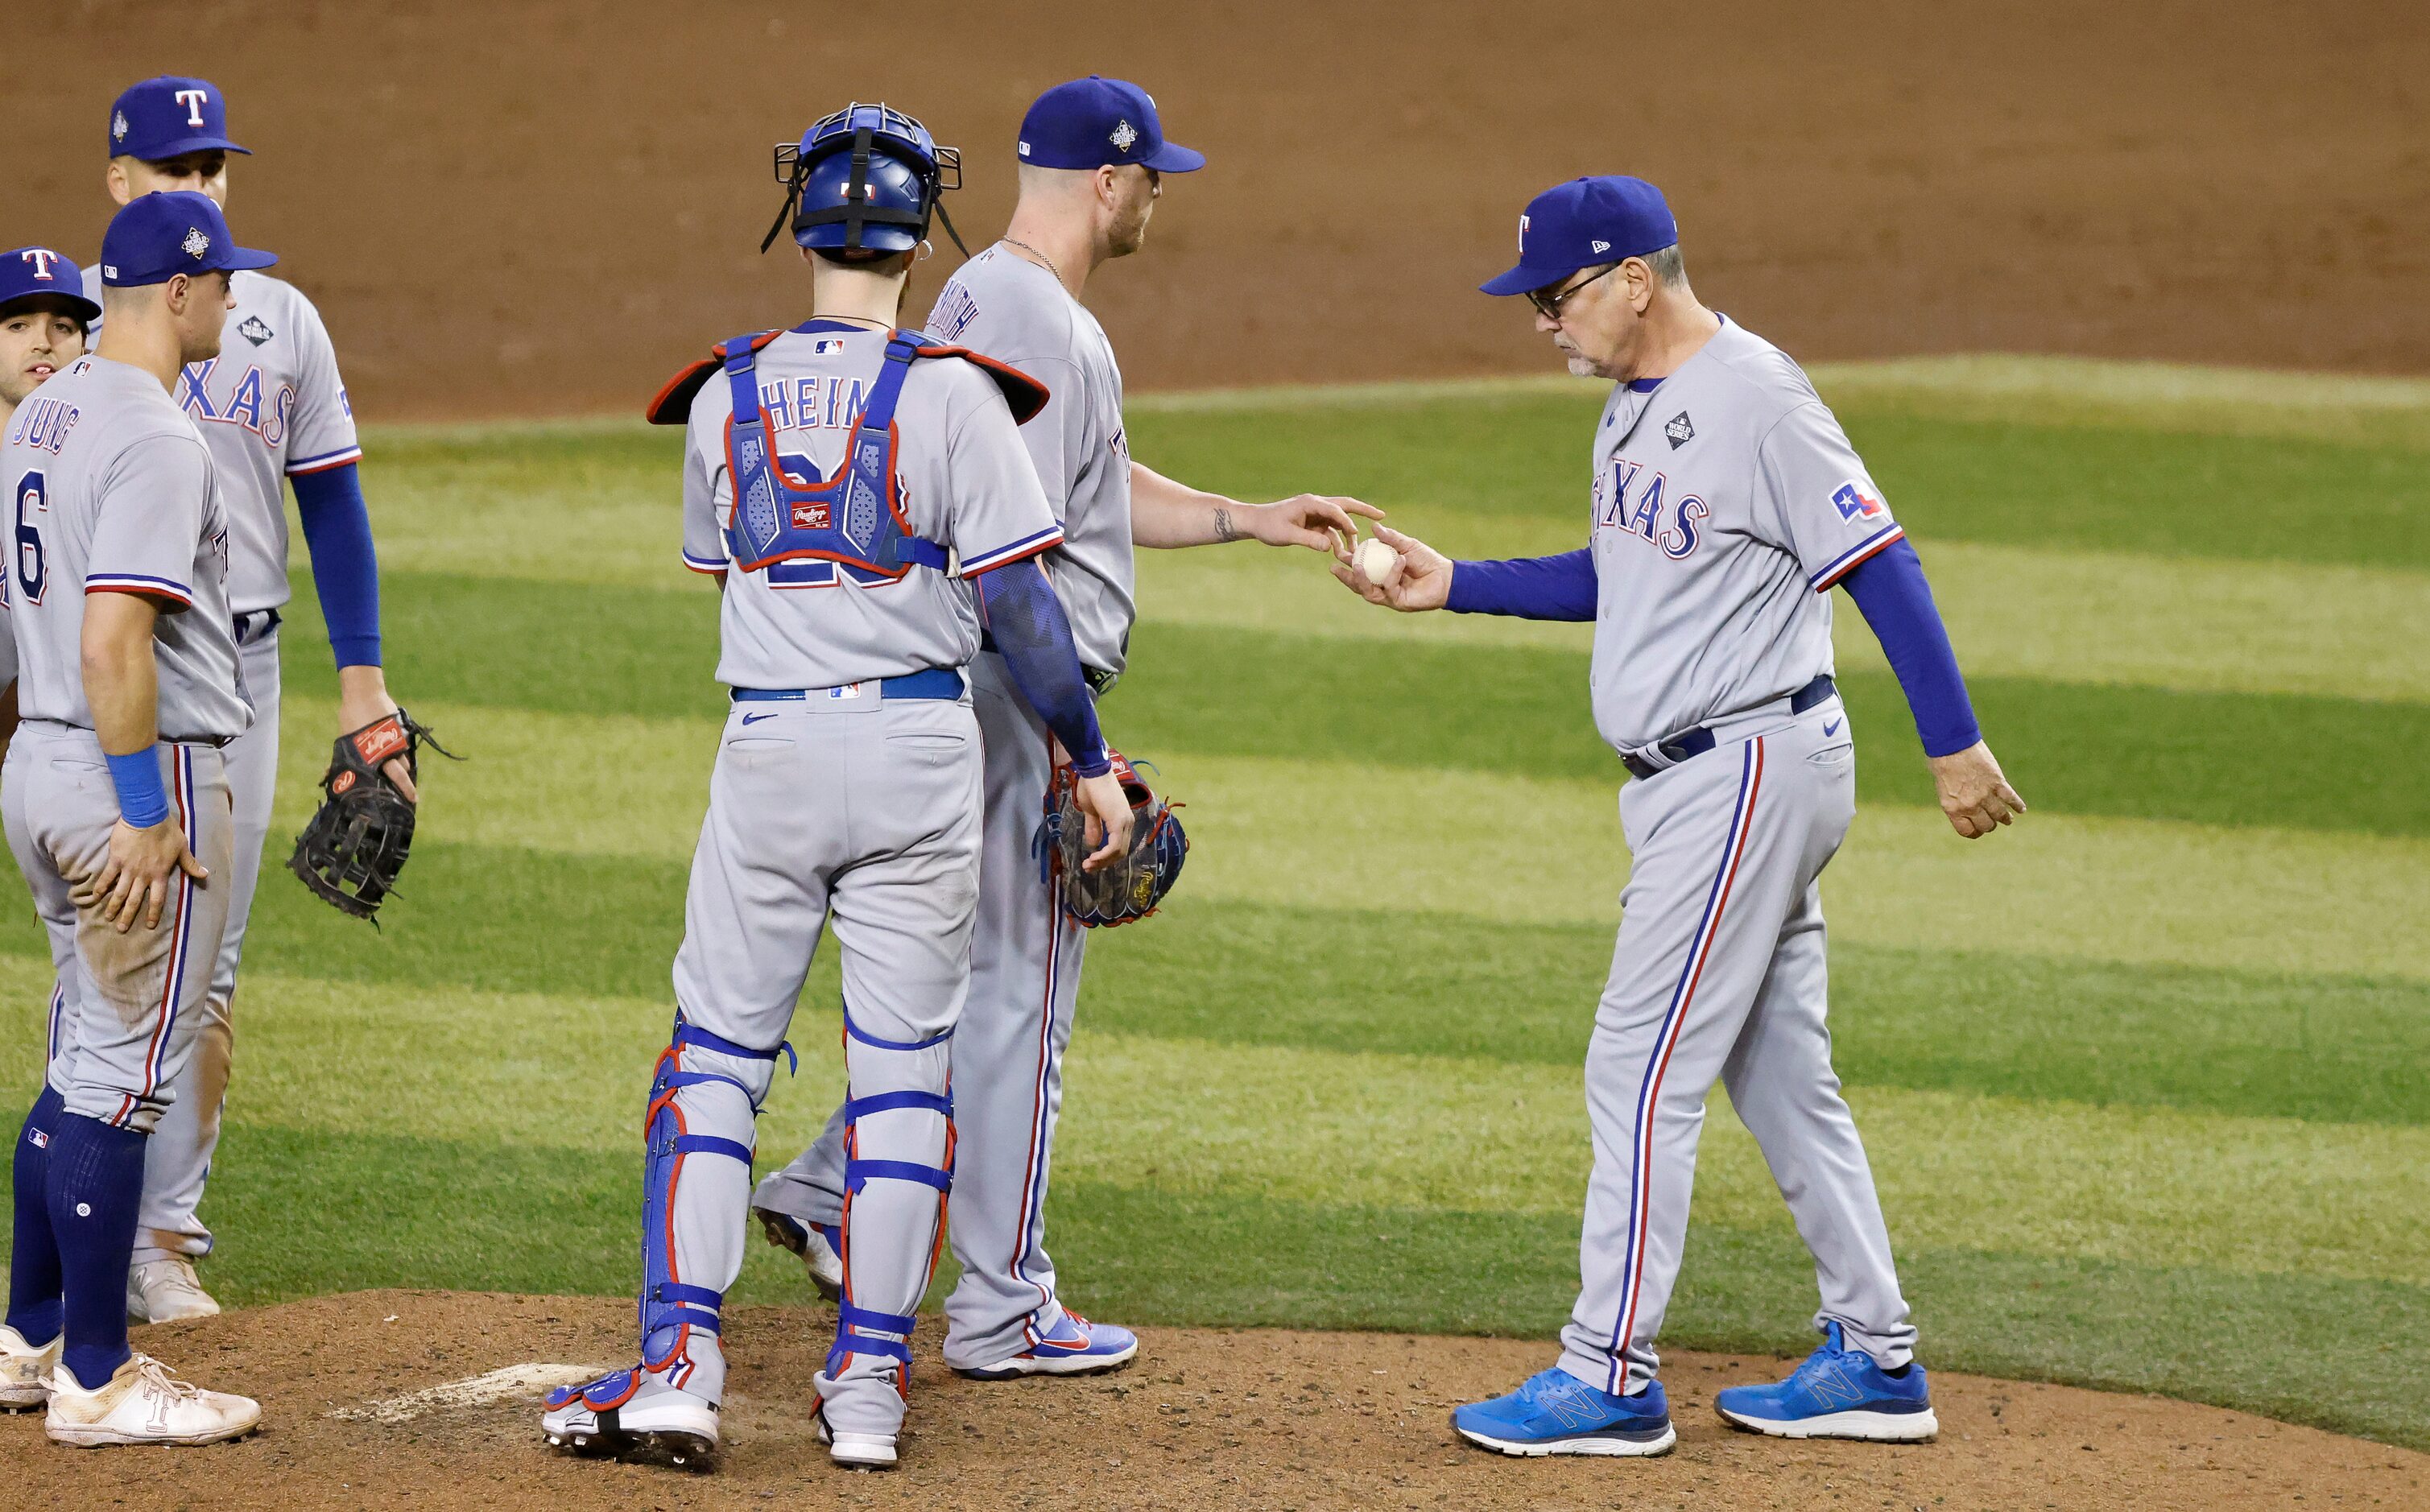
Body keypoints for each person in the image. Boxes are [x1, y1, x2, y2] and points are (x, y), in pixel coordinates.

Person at [1333, 175, 2026, 1457]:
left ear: (1632, 281)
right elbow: (1630, 570)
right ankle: (1876, 1356)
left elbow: (1877, 557)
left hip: (1745, 767)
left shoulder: (1759, 395)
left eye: (1556, 296)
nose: (1542, 321)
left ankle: (1607, 1372)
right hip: (1712, 779)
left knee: (1637, 1066)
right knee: (1777, 1069)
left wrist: (1954, 746)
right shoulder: (1630, 410)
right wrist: (1459, 583)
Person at [750, 75, 1376, 1381]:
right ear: (1109, 182)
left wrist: (1246, 513)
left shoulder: (997, 300)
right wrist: (1077, 747)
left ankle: (822, 1186)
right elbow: (1011, 560)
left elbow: (1080, 487)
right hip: (1017, 692)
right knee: (1019, 998)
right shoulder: (1040, 315)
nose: (1158, 200)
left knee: (961, 977)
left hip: (982, 688)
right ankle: (1002, 1303)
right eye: (1153, 178)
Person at [538, 102, 1130, 1473]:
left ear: (797, 223)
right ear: (924, 234)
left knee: (715, 1062)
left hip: (770, 753)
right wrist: (1089, 761)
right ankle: (866, 1389)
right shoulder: (956, 390)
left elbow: (725, 568)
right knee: (904, 1071)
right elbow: (1024, 617)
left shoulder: (722, 392)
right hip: (921, 754)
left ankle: (679, 1363)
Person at [81, 76, 411, 1324]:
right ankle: (83, 1241)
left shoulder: (275, 318)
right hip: (120, 666)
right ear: (121, 183)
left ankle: (161, 1235)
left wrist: (364, 678)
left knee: (208, 967)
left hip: (250, 670)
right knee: (112, 954)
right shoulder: (79, 328)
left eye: (215, 163)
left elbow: (331, 500)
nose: (203, 185)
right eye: (177, 167)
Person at [0, 190, 271, 1446]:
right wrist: (141, 813)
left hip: (40, 759)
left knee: (76, 1061)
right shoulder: (158, 433)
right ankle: (99, 1377)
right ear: (180, 291)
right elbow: (118, 638)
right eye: (224, 285)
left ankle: (32, 1333)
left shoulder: (42, 410)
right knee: (121, 1082)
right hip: (132, 768)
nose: (232, 302)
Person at [0, 247, 101, 770]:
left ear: (86, 345)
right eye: (18, 324)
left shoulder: (104, 475)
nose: (43, 341)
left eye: (63, 325)